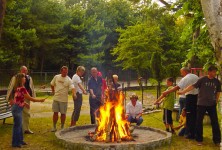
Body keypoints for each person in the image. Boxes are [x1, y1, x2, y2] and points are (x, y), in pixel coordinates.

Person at [178, 66, 221, 146]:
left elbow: (218, 92)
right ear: (209, 72)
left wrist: (216, 100)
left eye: (215, 72)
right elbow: (192, 86)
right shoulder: (202, 79)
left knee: (215, 122)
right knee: (198, 122)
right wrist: (183, 91)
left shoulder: (217, 82)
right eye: (214, 72)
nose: (215, 73)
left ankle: (217, 140)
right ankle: (199, 140)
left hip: (211, 105)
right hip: (201, 104)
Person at [161, 67, 199, 139]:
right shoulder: (196, 76)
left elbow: (177, 87)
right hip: (197, 97)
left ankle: (189, 133)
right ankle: (194, 133)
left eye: (181, 72)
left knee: (188, 115)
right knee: (194, 115)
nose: (181, 74)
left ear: (184, 71)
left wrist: (167, 92)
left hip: (190, 97)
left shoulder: (186, 78)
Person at [11, 73, 45, 148]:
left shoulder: (19, 87)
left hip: (17, 107)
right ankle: (15, 143)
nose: (25, 79)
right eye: (24, 78)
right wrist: (40, 100)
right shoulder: (22, 88)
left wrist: (24, 103)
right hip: (17, 109)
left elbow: (18, 98)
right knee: (17, 126)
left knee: (20, 126)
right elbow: (31, 98)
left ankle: (20, 141)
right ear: (21, 79)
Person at [6, 66, 36, 134]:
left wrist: (32, 97)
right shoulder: (15, 77)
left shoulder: (29, 78)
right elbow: (11, 88)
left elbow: (31, 88)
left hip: (26, 98)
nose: (24, 72)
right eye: (23, 70)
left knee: (27, 114)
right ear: (20, 71)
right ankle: (19, 130)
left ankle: (26, 129)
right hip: (17, 98)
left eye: (26, 70)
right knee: (18, 114)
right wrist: (11, 98)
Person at [51, 66, 76, 132]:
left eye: (66, 72)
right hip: (56, 98)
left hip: (64, 100)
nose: (65, 73)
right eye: (64, 72)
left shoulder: (69, 79)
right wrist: (53, 91)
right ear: (61, 71)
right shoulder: (56, 77)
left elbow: (73, 88)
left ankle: (62, 127)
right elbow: (52, 84)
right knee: (55, 113)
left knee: (63, 114)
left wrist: (74, 94)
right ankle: (54, 126)